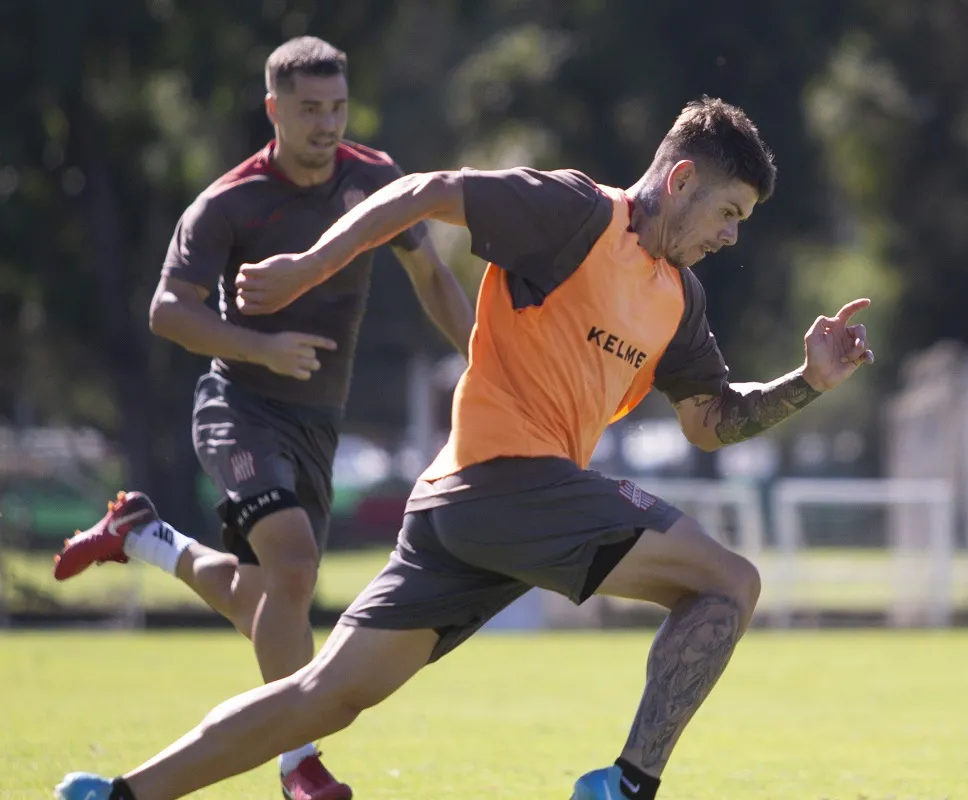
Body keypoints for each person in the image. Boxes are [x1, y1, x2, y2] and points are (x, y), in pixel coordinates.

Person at [54, 96, 872, 800]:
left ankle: (120, 792)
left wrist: (807, 381)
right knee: (730, 581)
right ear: (683, 179)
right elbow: (425, 191)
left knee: (323, 695)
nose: (730, 236)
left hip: (467, 514)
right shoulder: (576, 214)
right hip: (501, 487)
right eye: (729, 212)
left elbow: (710, 419)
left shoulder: (680, 299)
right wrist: (305, 266)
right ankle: (625, 786)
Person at [51, 36, 475, 800]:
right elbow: (167, 312)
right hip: (239, 407)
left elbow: (431, 274)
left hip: (318, 422)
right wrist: (262, 348)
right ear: (273, 110)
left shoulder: (376, 180)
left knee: (266, 600)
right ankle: (299, 764)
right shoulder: (229, 202)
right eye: (310, 109)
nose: (328, 123)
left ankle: (142, 535)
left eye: (338, 106)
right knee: (295, 565)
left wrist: (485, 359)